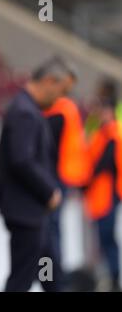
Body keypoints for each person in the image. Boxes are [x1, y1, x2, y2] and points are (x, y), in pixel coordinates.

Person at [0, 57, 74, 292]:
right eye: (60, 91)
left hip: (30, 209)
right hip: (25, 209)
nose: (60, 99)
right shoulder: (24, 111)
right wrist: (49, 191)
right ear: (48, 81)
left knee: (47, 270)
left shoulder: (26, 108)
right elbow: (22, 160)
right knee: (22, 277)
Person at [42, 70, 88, 287]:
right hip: (62, 177)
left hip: (54, 178)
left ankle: (50, 277)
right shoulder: (67, 108)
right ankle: (52, 276)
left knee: (49, 231)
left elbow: (48, 148)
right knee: (53, 229)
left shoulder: (58, 111)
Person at [84, 91, 122, 292]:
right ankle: (105, 276)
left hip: (109, 193)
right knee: (101, 238)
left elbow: (105, 164)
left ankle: (114, 277)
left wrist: (86, 181)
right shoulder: (102, 133)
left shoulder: (113, 134)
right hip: (99, 194)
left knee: (107, 237)